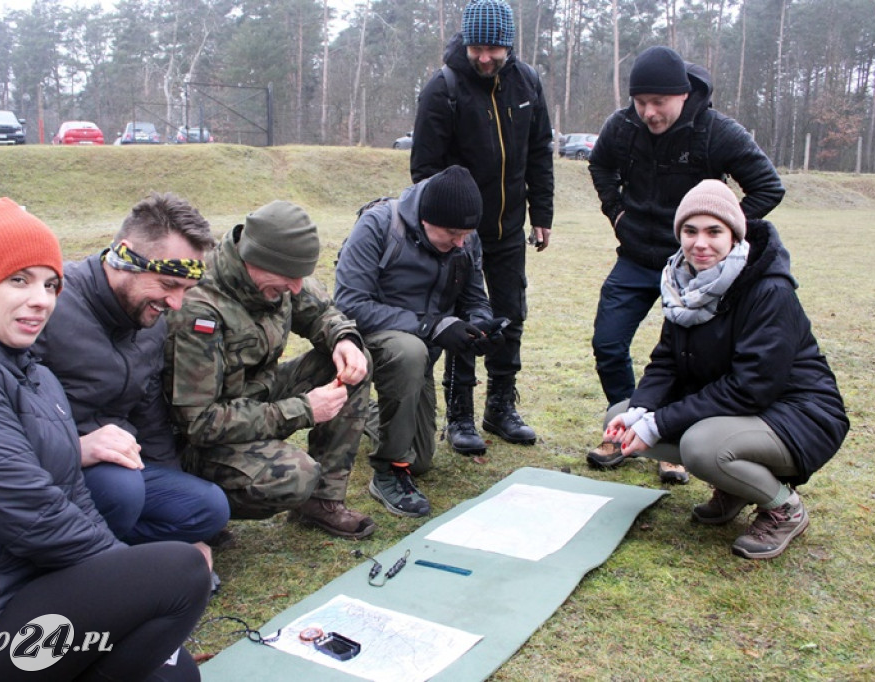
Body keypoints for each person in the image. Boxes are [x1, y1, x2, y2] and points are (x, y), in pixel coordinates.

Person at [0, 198, 210, 681]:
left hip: (27, 596)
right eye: (18, 280)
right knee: (181, 571)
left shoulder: (36, 376)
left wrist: (128, 583)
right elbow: (33, 514)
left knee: (177, 674)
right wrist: (134, 580)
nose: (41, 299)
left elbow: (77, 500)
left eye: (50, 284)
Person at [601, 180, 848, 559]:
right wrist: (640, 411)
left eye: (714, 231)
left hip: (799, 414)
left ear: (735, 235)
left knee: (702, 447)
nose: (700, 243)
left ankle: (785, 509)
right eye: (690, 231)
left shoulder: (770, 290)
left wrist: (659, 423)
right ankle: (735, 487)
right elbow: (666, 361)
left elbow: (751, 386)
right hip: (740, 407)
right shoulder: (684, 284)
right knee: (620, 414)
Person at [586, 45, 786, 483]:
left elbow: (768, 187)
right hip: (637, 257)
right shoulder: (622, 126)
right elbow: (600, 165)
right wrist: (616, 213)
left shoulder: (717, 132)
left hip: (698, 271)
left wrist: (715, 233)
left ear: (683, 95)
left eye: (659, 102)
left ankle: (670, 442)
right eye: (641, 102)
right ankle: (625, 428)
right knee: (608, 343)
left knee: (687, 358)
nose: (649, 113)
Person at [163, 200, 376, 540]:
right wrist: (304, 409)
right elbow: (199, 423)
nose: (296, 288)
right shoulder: (198, 308)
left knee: (353, 362)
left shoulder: (276, 276)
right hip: (200, 442)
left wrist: (343, 339)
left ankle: (322, 502)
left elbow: (321, 313)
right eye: (289, 278)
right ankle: (194, 506)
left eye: (299, 277)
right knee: (295, 476)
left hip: (257, 397)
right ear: (254, 260)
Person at [33, 193, 230, 552]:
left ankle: (122, 548)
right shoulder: (48, 307)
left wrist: (186, 530)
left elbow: (149, 415)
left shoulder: (152, 323)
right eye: (168, 284)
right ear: (124, 256)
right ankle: (96, 563)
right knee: (121, 490)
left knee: (209, 507)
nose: (176, 304)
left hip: (122, 467)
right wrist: (72, 448)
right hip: (50, 469)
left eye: (186, 290)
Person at [410, 0, 554, 455]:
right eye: (478, 48)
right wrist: (448, 229)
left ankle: (500, 407)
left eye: (494, 48)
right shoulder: (443, 88)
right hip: (460, 235)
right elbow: (424, 169)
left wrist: (542, 213)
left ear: (509, 45)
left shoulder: (527, 82)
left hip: (509, 227)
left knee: (510, 313)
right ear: (466, 43)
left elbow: (539, 150)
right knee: (463, 319)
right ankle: (460, 416)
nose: (485, 57)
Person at [336, 165, 502, 518]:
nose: (461, 242)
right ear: (426, 219)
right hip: (369, 339)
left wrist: (480, 326)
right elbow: (349, 304)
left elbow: (475, 297)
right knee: (410, 351)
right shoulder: (379, 225)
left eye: (467, 234)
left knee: (421, 460)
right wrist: (432, 325)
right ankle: (388, 471)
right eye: (453, 233)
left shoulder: (465, 239)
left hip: (421, 349)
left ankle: (361, 413)